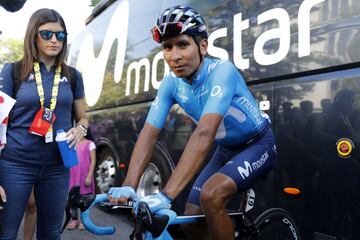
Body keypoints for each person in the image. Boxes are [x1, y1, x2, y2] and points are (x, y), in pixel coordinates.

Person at [107, 5, 277, 240]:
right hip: (226, 151)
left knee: (212, 196)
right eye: (167, 47)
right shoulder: (171, 83)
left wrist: (166, 196)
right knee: (190, 219)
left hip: (257, 144)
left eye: (182, 44)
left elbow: (205, 133)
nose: (174, 56)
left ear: (203, 46)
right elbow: (148, 132)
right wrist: (129, 185)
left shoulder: (222, 71)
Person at [0, 8, 88, 240]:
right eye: (47, 34)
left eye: (60, 36)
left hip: (57, 167)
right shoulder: (13, 71)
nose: (54, 40)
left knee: (50, 233)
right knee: (6, 232)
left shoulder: (74, 76)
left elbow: (83, 117)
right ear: (33, 35)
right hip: (15, 165)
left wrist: (81, 129)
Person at [67, 130, 96, 231]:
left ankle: (84, 221)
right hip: (73, 176)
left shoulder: (90, 144)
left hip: (84, 175)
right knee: (72, 199)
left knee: (85, 199)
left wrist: (89, 176)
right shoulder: (72, 143)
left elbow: (93, 161)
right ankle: (74, 220)